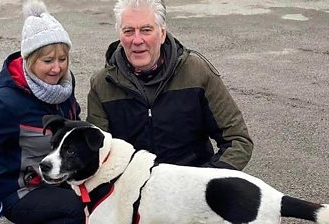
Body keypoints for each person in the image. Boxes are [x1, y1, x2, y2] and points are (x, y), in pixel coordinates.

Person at [0, 0, 85, 223]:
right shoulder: (7, 103)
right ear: (30, 61)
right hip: (21, 192)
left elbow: (75, 129)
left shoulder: (63, 88)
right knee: (77, 208)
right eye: (48, 60)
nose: (57, 68)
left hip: (59, 178)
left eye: (63, 59)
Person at [86, 0, 253, 171]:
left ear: (162, 33)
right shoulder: (102, 84)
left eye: (146, 30)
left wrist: (204, 181)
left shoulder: (197, 73)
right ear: (120, 35)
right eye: (128, 31)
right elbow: (95, 152)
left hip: (192, 185)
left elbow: (238, 141)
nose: (137, 40)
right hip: (132, 189)